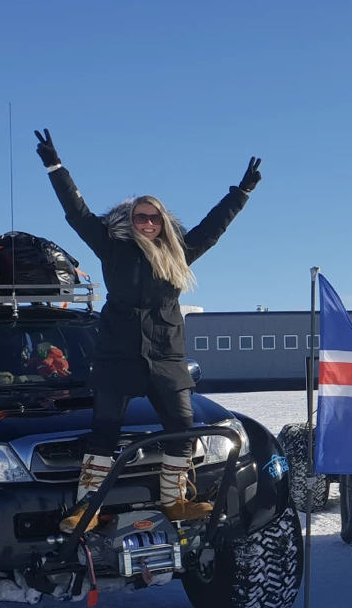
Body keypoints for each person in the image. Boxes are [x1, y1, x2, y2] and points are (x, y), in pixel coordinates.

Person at [34, 128, 261, 532]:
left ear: (162, 221)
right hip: (118, 352)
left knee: (183, 429)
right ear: (131, 221)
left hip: (166, 354)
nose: (148, 223)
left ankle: (175, 500)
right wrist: (56, 167)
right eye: (141, 217)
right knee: (103, 432)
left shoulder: (180, 252)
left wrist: (240, 193)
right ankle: (87, 509)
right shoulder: (111, 246)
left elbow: (214, 226)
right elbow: (77, 214)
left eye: (154, 217)